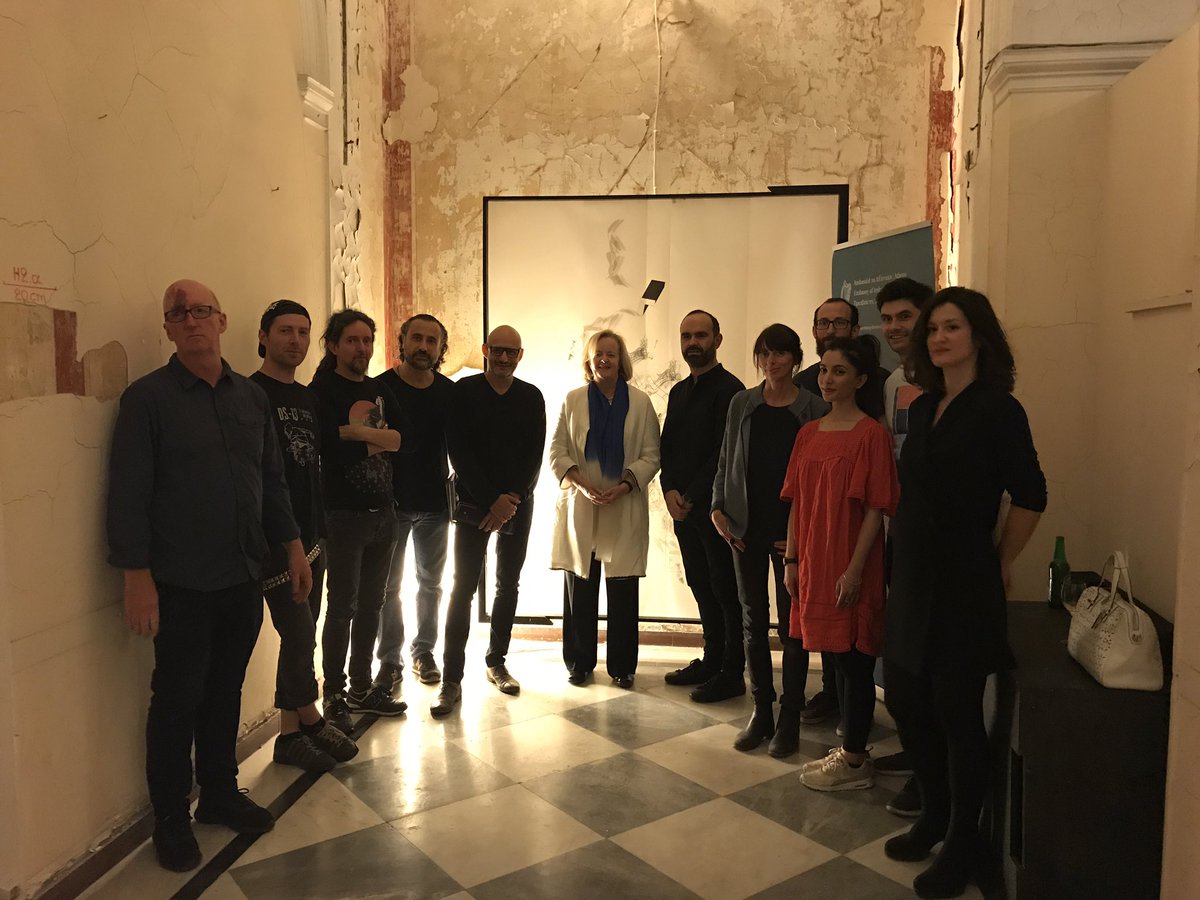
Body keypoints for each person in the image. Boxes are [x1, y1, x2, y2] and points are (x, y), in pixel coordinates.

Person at [107, 279, 312, 872]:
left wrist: (293, 546)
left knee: (225, 690)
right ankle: (171, 818)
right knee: (177, 700)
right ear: (168, 329)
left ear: (221, 321)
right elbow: (128, 494)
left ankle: (219, 792)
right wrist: (136, 576)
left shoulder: (250, 399)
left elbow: (271, 482)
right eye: (179, 314)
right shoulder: (147, 400)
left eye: (202, 311)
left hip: (243, 574)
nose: (192, 320)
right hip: (180, 581)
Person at [883, 287, 1046, 899]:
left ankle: (963, 840)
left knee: (956, 714)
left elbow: (1031, 494)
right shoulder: (925, 405)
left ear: (978, 336)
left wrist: (1000, 561)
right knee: (906, 699)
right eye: (932, 329)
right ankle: (934, 812)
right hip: (912, 577)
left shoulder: (999, 409)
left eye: (951, 327)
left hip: (963, 582)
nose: (938, 338)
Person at [783, 336, 899, 791]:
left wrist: (854, 570)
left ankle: (854, 760)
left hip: (852, 561)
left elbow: (876, 508)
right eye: (824, 370)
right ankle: (850, 750)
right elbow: (796, 501)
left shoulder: (872, 435)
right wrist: (792, 559)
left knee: (854, 660)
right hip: (814, 558)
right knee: (832, 656)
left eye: (839, 371)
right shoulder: (808, 433)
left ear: (861, 379)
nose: (828, 379)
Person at [251, 300, 359, 773]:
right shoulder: (249, 394)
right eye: (284, 331)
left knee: (302, 636)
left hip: (314, 534)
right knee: (297, 634)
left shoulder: (307, 397)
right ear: (263, 337)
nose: (294, 340)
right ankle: (310, 719)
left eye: (301, 332)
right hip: (275, 538)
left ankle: (289, 735)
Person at [712, 324, 828, 756]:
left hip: (790, 534)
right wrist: (717, 507)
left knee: (792, 626)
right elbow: (726, 457)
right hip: (745, 527)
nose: (771, 361)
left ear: (795, 358)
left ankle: (790, 717)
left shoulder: (814, 408)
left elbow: (817, 478)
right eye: (764, 353)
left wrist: (802, 534)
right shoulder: (742, 403)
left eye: (780, 353)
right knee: (752, 621)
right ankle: (761, 709)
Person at [432, 325, 546, 716]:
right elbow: (458, 451)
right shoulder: (464, 392)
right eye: (497, 350)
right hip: (473, 503)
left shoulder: (531, 396)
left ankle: (497, 662)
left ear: (520, 355)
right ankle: (451, 679)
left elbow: (534, 455)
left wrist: (510, 499)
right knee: (462, 587)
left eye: (511, 352)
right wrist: (490, 501)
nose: (503, 358)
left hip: (517, 502)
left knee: (507, 583)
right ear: (485, 350)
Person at [311, 310, 411, 734]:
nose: (362, 348)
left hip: (383, 513)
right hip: (342, 516)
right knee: (341, 607)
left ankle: (361, 687)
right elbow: (329, 450)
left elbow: (400, 440)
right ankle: (333, 694)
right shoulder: (321, 391)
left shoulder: (379, 389)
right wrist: (377, 438)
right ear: (334, 345)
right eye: (352, 340)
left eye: (367, 340)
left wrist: (356, 433)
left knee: (373, 605)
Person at [550, 329, 661, 689]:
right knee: (580, 590)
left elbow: (651, 455)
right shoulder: (573, 400)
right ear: (589, 358)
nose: (604, 359)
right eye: (598, 353)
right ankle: (579, 663)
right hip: (583, 507)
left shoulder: (641, 403)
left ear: (621, 360)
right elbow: (557, 452)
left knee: (623, 592)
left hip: (622, 505)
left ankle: (622, 667)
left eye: (611, 354)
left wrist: (625, 485)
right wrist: (583, 484)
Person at [659, 310, 746, 701]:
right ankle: (712, 660)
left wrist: (690, 494)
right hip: (683, 509)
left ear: (717, 340)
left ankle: (732, 671)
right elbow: (667, 447)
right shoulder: (678, 392)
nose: (693, 343)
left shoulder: (731, 390)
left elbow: (722, 452)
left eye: (700, 335)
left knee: (724, 589)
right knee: (700, 584)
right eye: (686, 336)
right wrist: (668, 490)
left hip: (715, 511)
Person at [874, 277, 935, 817]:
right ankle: (917, 753)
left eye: (905, 317)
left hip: (938, 542)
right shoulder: (894, 381)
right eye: (888, 318)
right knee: (900, 662)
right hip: (897, 532)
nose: (895, 327)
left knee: (926, 664)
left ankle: (932, 776)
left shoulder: (950, 384)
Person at [375, 314, 455, 691]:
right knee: (387, 587)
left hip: (436, 505)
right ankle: (390, 660)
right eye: (417, 338)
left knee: (431, 584)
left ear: (440, 348)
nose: (423, 346)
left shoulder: (450, 392)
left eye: (431, 341)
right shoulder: (380, 388)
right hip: (391, 505)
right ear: (403, 341)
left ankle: (424, 652)